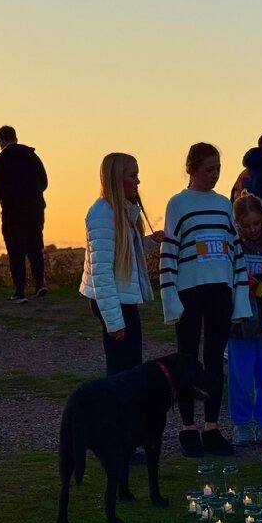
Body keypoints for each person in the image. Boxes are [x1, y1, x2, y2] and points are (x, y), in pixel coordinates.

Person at [160, 143, 251, 457]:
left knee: (214, 358)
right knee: (186, 357)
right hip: (189, 290)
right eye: (208, 169)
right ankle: (188, 427)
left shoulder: (224, 204)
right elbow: (169, 250)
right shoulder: (178, 204)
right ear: (192, 169)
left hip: (220, 290)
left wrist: (240, 294)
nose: (214, 175)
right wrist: (169, 295)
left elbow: (234, 249)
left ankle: (212, 426)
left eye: (218, 169)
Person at [79, 153, 163, 376]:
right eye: (132, 176)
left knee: (130, 363)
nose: (138, 181)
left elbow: (125, 250)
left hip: (121, 297)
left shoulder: (121, 211)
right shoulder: (102, 214)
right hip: (114, 299)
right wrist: (114, 321)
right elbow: (101, 272)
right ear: (117, 178)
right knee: (122, 368)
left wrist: (151, 242)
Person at [228, 193, 262, 447]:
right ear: (237, 224)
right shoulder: (233, 245)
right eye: (246, 225)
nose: (253, 229)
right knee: (240, 374)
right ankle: (241, 423)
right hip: (239, 322)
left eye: (257, 223)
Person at [0, 125, 48, 303]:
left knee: (16, 250)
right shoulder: (32, 157)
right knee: (35, 246)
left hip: (13, 211)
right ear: (16, 138)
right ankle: (40, 283)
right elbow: (44, 182)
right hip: (35, 208)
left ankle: (19, 291)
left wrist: (0, 199)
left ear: (1, 141)